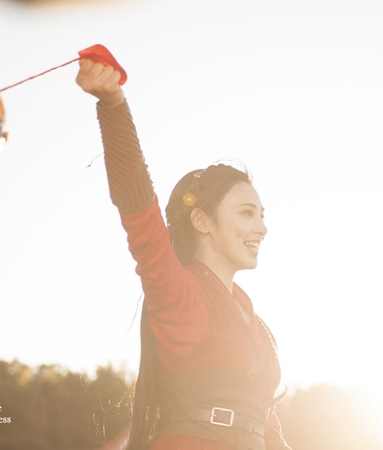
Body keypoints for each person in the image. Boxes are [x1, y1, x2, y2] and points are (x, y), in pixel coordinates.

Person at [76, 58, 293, 450]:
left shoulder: (253, 319)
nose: (261, 227)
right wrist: (113, 105)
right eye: (247, 213)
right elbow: (137, 206)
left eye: (262, 215)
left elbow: (266, 427)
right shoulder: (180, 294)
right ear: (202, 221)